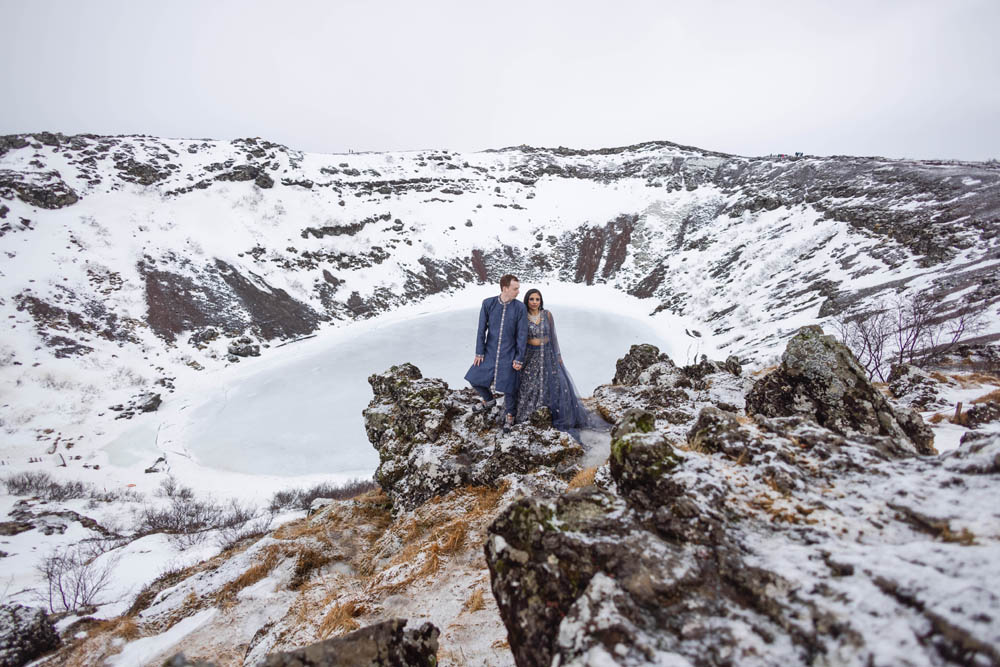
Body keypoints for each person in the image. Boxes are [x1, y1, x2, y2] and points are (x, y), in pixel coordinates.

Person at [514, 289, 593, 434]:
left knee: (555, 382)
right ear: (527, 300)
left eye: (537, 299)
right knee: (529, 384)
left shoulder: (547, 315)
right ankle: (528, 415)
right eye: (531, 299)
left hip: (548, 353)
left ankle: (554, 413)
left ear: (541, 301)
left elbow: (553, 335)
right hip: (530, 355)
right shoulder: (522, 316)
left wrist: (558, 354)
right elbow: (518, 338)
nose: (534, 302)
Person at [464, 274, 527, 433]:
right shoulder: (488, 303)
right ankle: (489, 400)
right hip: (489, 352)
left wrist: (519, 357)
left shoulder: (520, 308)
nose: (518, 292)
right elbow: (481, 330)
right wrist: (479, 351)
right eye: (515, 288)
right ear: (505, 288)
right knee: (474, 378)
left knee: (509, 387)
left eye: (518, 288)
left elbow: (522, 335)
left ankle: (510, 415)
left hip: (509, 353)